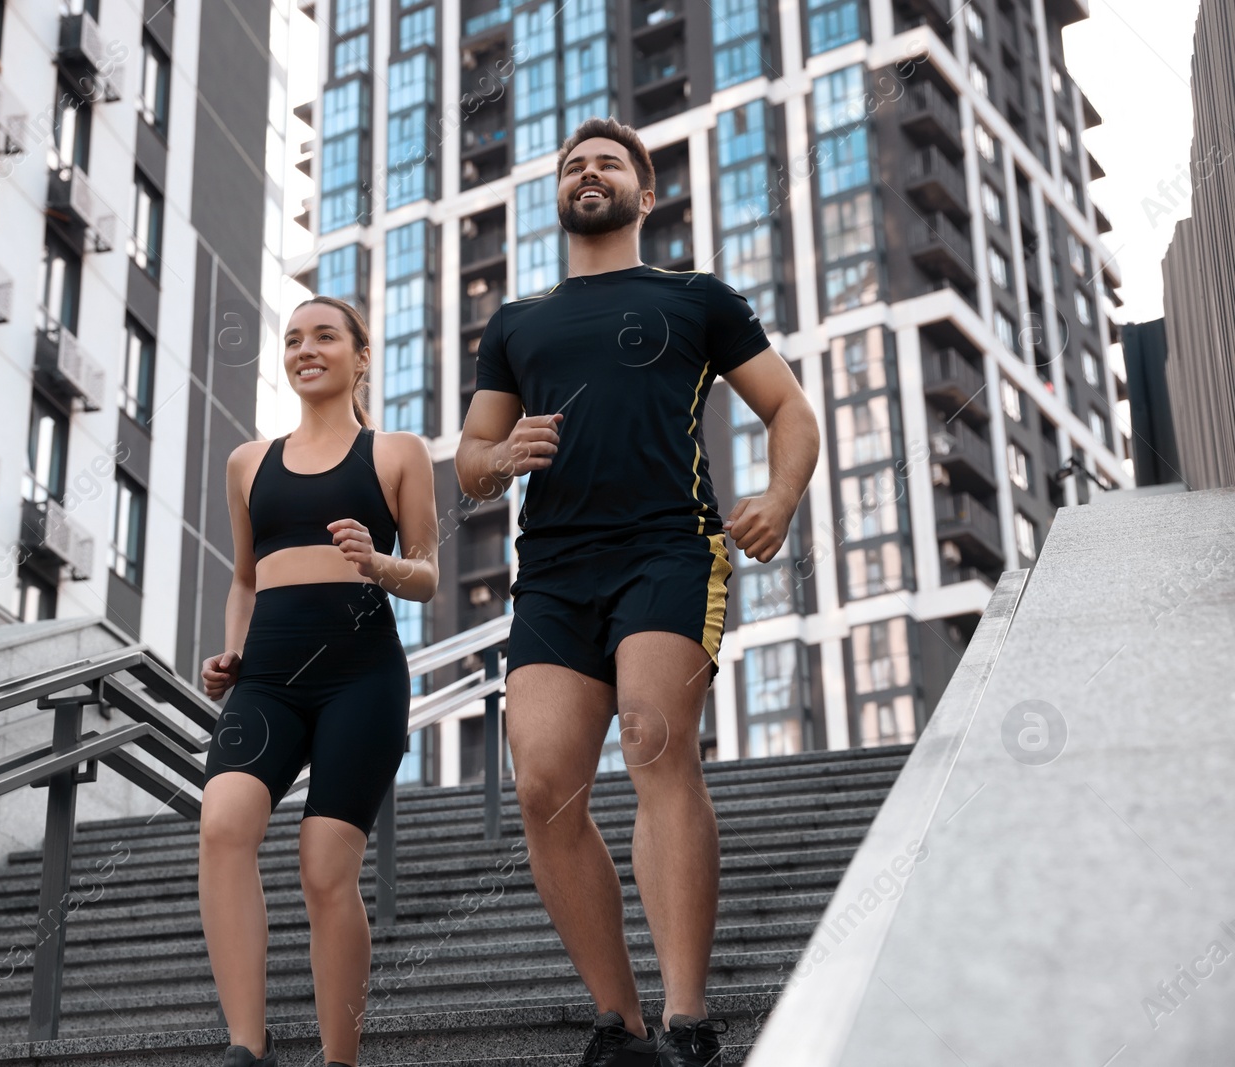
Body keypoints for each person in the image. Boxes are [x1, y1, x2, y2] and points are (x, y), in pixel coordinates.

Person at [456, 117, 820, 1067]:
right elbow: (468, 463)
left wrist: (779, 496)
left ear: (644, 194)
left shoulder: (697, 297)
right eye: (573, 165)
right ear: (559, 195)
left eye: (608, 163)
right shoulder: (517, 322)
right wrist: (498, 457)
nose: (588, 173)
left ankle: (689, 1014)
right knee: (541, 784)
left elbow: (788, 407)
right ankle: (621, 1025)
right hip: (554, 572)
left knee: (655, 738)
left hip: (668, 549)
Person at [197, 296, 439, 1067]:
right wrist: (230, 653)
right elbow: (243, 578)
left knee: (325, 867)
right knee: (223, 820)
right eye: (294, 339)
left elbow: (429, 574)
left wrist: (379, 562)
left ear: (360, 357)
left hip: (361, 679)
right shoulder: (248, 461)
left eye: (324, 336)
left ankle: (340, 1058)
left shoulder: (398, 453)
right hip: (266, 678)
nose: (306, 349)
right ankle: (247, 1044)